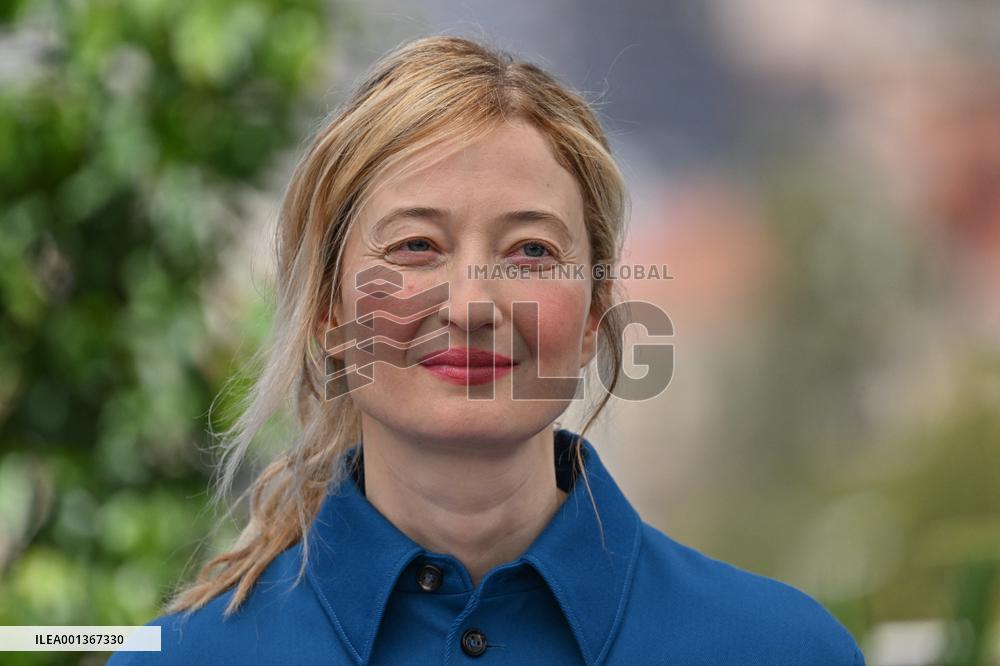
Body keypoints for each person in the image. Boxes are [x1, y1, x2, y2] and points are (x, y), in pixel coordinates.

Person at [108, 35, 865, 665]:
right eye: (415, 246)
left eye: (531, 251)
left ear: (597, 309)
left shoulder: (784, 650)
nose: (471, 305)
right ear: (326, 313)